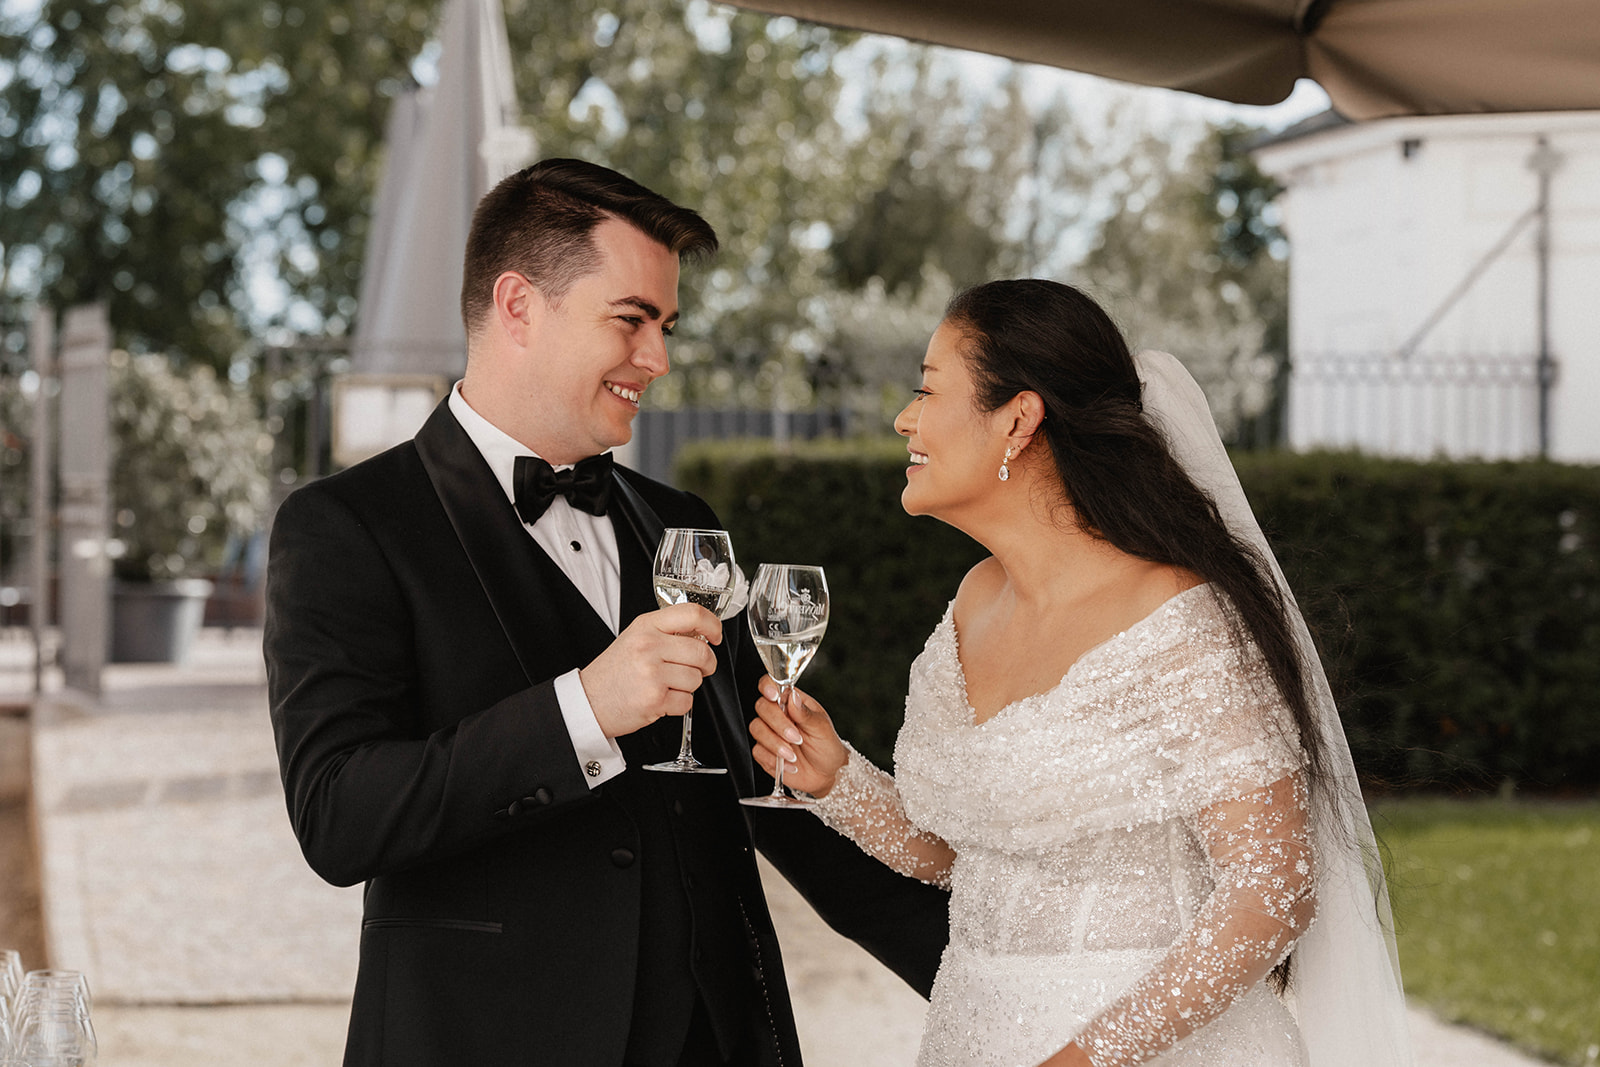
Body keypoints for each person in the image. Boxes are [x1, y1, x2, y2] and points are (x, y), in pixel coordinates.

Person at [264, 158, 949, 1067]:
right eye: (631, 320)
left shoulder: (685, 527)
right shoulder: (346, 528)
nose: (658, 358)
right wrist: (584, 706)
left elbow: (771, 792)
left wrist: (1005, 980)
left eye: (664, 326)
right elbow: (340, 813)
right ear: (518, 306)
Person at [749, 280, 1416, 1067]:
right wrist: (837, 780)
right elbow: (970, 856)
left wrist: (1083, 1059)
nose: (905, 418)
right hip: (973, 1036)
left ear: (1019, 419)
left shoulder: (1178, 617)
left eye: (928, 389)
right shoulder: (972, 603)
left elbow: (1272, 888)